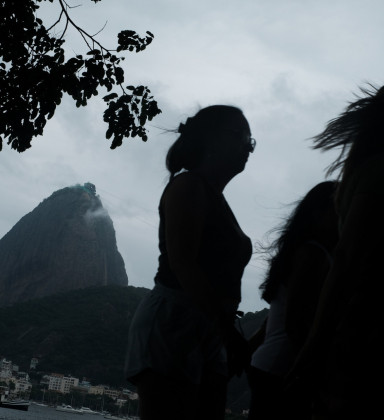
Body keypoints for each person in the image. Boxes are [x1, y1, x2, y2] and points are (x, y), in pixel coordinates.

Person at [124, 105, 255, 420]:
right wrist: (227, 330)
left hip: (207, 326)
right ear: (210, 139)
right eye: (239, 135)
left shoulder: (214, 196)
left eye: (251, 140)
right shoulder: (188, 186)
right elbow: (184, 264)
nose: (247, 145)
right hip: (175, 321)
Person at [291, 85, 384, 418]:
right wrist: (315, 343)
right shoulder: (378, 173)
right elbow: (347, 258)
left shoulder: (365, 172)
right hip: (361, 328)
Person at [247, 181, 339, 420]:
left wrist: (249, 347)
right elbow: (296, 322)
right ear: (319, 213)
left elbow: (282, 315)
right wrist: (315, 374)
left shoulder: (307, 251)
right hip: (283, 369)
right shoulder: (313, 254)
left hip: (272, 366)